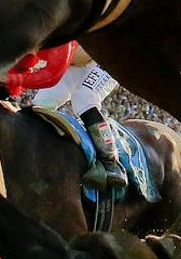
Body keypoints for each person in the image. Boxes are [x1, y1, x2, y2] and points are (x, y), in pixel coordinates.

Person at [28, 46, 132, 192]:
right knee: (42, 102)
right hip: (75, 61)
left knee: (84, 97)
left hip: (108, 54)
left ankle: (111, 162)